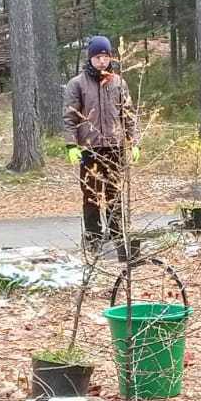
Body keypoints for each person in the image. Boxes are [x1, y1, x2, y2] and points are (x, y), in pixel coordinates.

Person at [63, 36, 135, 247]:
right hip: (90, 149)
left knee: (115, 192)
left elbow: (128, 115)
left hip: (115, 147)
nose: (102, 61)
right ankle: (93, 236)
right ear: (90, 58)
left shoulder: (119, 83)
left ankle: (117, 234)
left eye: (105, 56)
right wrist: (71, 145)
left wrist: (133, 142)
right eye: (97, 57)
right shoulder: (77, 84)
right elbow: (70, 117)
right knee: (91, 194)